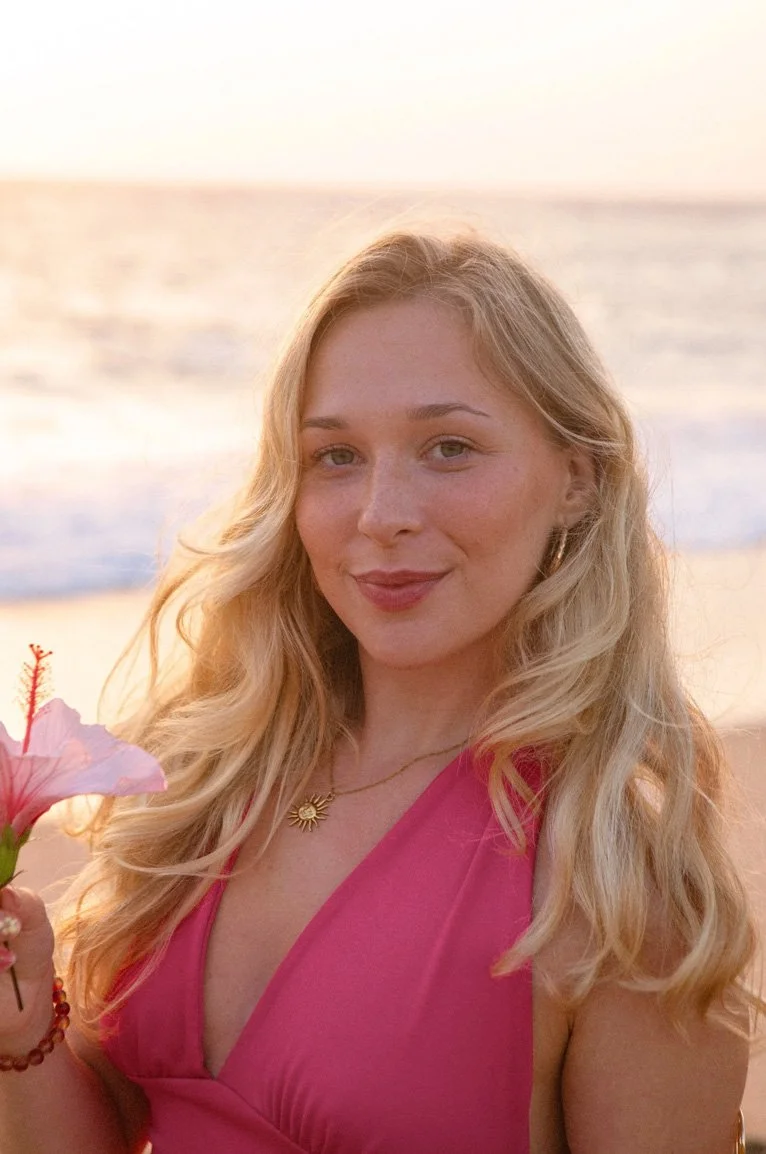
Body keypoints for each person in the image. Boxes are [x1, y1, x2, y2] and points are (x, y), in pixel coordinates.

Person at [0, 228, 760, 1154]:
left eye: (448, 448)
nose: (381, 515)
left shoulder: (607, 877)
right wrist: (24, 1031)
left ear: (576, 479)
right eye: (337, 456)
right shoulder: (210, 779)